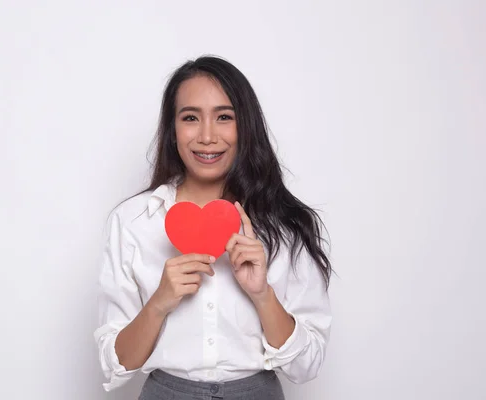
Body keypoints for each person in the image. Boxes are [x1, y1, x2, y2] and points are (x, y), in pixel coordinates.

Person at [94, 55, 332, 400]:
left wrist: (262, 294)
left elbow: (307, 367)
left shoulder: (285, 223)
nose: (207, 136)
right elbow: (113, 365)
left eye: (224, 117)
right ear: (172, 131)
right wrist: (159, 302)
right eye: (190, 117)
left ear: (245, 128)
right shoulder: (132, 222)